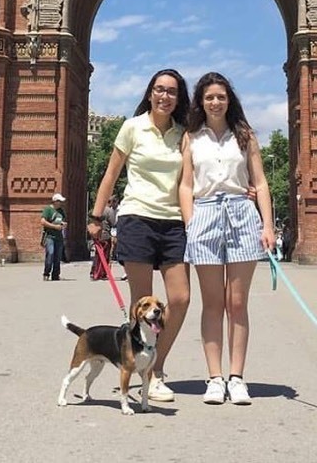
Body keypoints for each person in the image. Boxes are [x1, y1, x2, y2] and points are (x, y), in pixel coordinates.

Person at [86, 68, 191, 403]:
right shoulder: (132, 127)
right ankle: (145, 372)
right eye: (159, 90)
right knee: (143, 301)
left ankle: (157, 365)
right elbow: (111, 173)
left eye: (172, 91)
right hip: (137, 218)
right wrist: (96, 216)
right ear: (149, 93)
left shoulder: (184, 134)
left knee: (180, 298)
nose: (165, 96)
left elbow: (192, 180)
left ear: (179, 97)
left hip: (174, 221)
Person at [179, 72, 276, 405]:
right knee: (212, 304)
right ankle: (214, 378)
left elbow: (260, 183)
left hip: (241, 214)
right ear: (200, 102)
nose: (215, 102)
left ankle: (236, 377)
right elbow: (186, 185)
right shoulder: (191, 138)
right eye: (209, 97)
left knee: (237, 304)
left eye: (221, 96)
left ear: (229, 99)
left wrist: (268, 226)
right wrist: (191, 222)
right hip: (204, 214)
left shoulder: (245, 136)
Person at [90, 195, 118, 281]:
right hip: (105, 235)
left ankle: (94, 272)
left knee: (97, 255)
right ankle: (101, 273)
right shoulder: (109, 211)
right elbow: (113, 222)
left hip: (96, 235)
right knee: (105, 256)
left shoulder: (97, 210)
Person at [41, 193, 67, 281]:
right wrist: (54, 226)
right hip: (50, 236)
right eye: (59, 201)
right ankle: (46, 273)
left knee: (58, 256)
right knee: (50, 253)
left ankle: (55, 275)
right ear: (55, 201)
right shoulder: (48, 210)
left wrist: (63, 224)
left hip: (59, 237)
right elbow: (43, 222)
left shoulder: (61, 211)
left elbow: (62, 221)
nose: (61, 203)